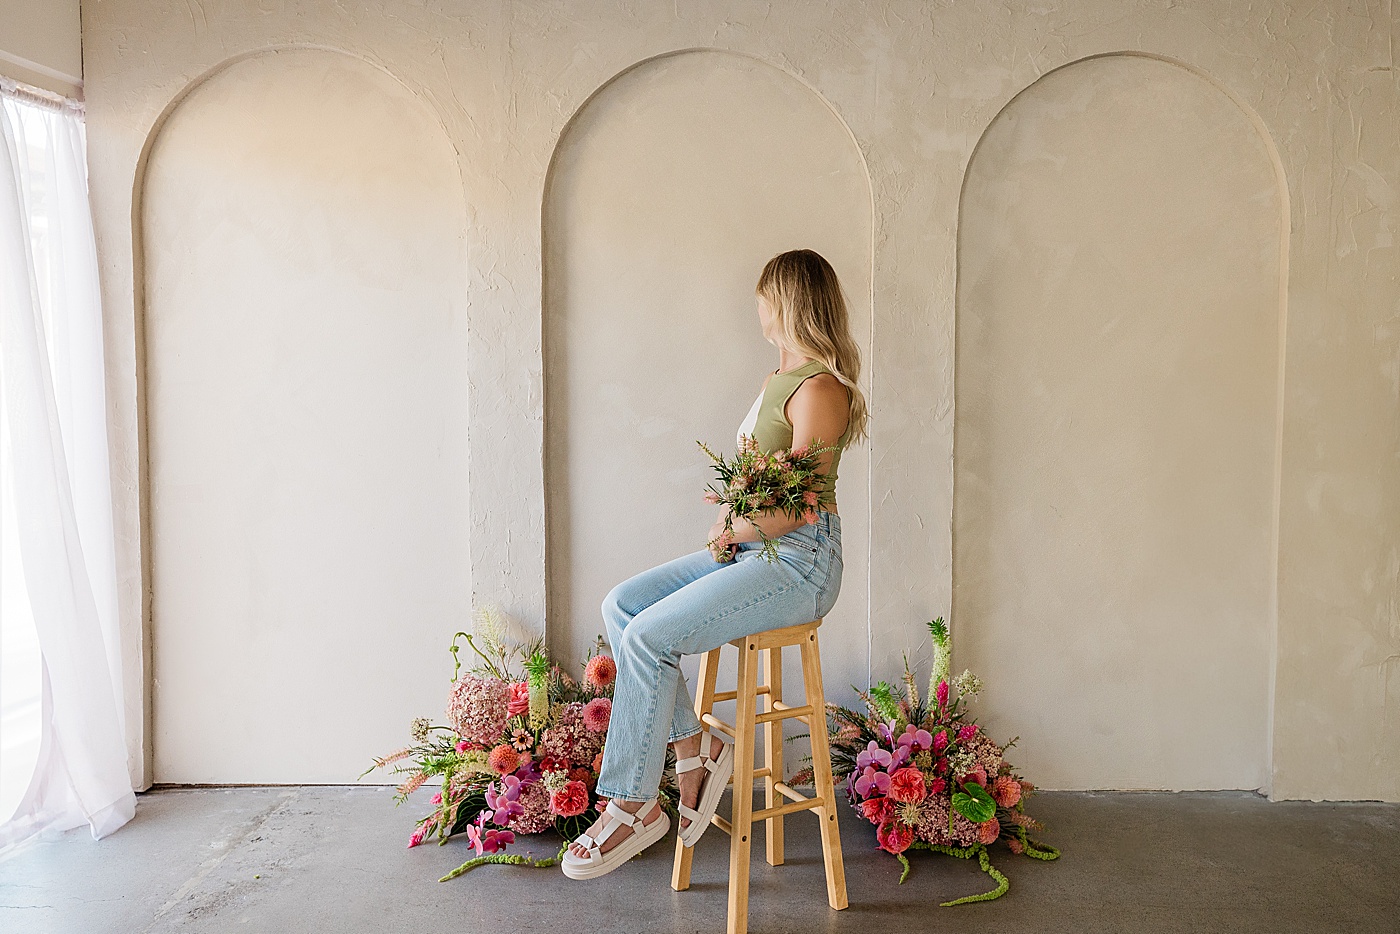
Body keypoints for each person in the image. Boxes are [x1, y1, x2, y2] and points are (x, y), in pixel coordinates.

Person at [560, 249, 870, 880]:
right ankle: (698, 745)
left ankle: (632, 804)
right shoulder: (778, 379)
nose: (754, 307)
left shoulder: (823, 390)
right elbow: (762, 483)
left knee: (649, 639)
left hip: (800, 564)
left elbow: (802, 505)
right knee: (623, 605)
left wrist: (732, 525)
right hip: (753, 548)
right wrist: (736, 528)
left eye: (763, 296)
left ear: (783, 301)